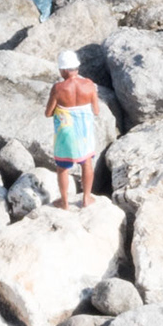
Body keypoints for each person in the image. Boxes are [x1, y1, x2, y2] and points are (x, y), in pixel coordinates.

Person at [44, 49, 100, 209]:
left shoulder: (58, 88)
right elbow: (96, 111)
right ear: (77, 67)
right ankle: (86, 199)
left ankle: (65, 202)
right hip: (84, 132)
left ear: (62, 69)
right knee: (87, 163)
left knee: (62, 167)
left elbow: (48, 113)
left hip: (66, 133)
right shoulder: (89, 85)